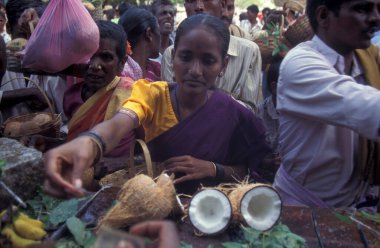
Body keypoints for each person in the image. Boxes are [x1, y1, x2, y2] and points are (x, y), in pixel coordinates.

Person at [43, 14, 270, 198]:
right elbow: (119, 123)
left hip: (211, 213)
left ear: (223, 65)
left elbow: (253, 170)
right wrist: (91, 142)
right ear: (172, 57)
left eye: (208, 61)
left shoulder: (234, 113)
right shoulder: (151, 94)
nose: (195, 70)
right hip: (152, 207)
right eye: (186, 57)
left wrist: (214, 169)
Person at [273, 0, 380, 208]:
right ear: (323, 16)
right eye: (362, 9)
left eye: (379, 9)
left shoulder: (368, 60)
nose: (376, 17)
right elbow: (369, 109)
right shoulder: (299, 64)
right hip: (304, 209)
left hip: (360, 203)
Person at [161, 0, 263, 111]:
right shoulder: (171, 54)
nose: (199, 7)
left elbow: (251, 111)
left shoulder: (248, 52)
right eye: (191, 1)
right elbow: (169, 110)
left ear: (222, 5)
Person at [63, 20, 134, 158]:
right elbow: (75, 143)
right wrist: (51, 143)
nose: (95, 65)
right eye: (88, 56)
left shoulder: (132, 94)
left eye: (106, 57)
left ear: (122, 63)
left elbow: (149, 147)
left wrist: (118, 163)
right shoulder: (71, 96)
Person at [1, 0, 67, 126]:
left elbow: (68, 119)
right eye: (23, 36)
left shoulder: (57, 69)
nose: (29, 48)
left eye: (36, 37)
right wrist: (27, 94)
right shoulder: (2, 61)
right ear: (9, 28)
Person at [119, 7, 161, 82]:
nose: (160, 37)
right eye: (159, 31)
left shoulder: (157, 69)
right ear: (149, 34)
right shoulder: (120, 73)